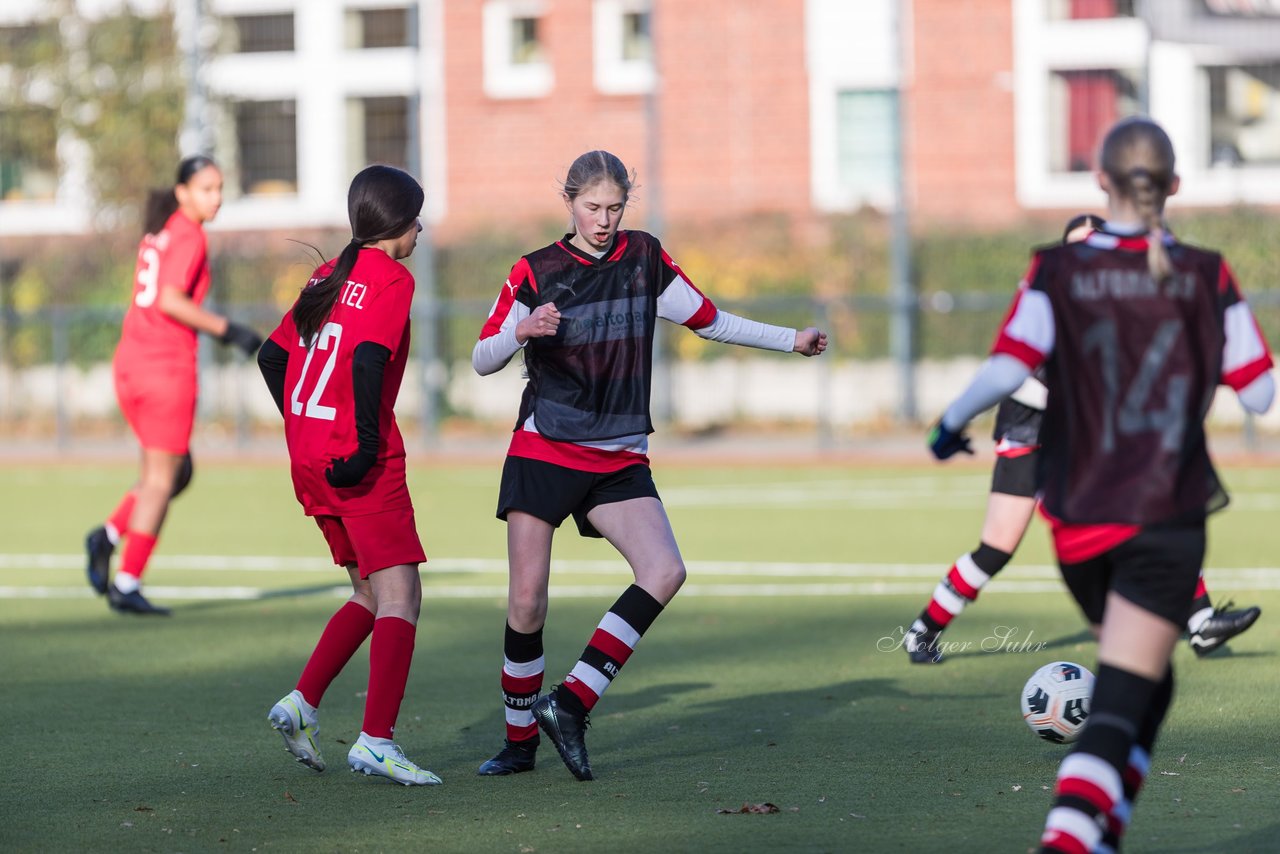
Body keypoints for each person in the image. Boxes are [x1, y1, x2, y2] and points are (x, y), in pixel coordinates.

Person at [927, 117, 1274, 853]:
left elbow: (1003, 364)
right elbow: (1259, 394)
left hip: (1080, 520)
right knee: (1129, 690)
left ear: (1100, 182)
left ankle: (1098, 836)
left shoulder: (1053, 269)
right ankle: (1071, 837)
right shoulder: (1206, 272)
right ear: (1174, 186)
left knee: (1144, 681)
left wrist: (950, 422)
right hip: (1167, 510)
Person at [471, 150, 828, 781]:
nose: (604, 220)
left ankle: (572, 703)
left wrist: (789, 340)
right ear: (570, 203)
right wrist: (522, 330)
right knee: (526, 603)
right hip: (546, 446)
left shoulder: (644, 257)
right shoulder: (535, 270)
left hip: (618, 453)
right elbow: (481, 358)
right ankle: (518, 743)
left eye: (614, 208)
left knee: (664, 570)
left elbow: (711, 320)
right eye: (591, 207)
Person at [906, 213, 1261, 664]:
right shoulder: (1052, 289)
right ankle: (924, 628)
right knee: (997, 546)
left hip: (1083, 436)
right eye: (1078, 243)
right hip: (1030, 429)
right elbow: (1014, 372)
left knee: (1149, 513)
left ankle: (1200, 622)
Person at [255, 165, 439, 787]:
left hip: (309, 458)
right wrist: (360, 447)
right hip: (359, 462)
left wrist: (303, 424)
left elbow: (272, 354)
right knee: (402, 597)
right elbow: (366, 358)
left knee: (367, 591)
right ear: (396, 224)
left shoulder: (327, 273)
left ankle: (301, 703)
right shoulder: (392, 278)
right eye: (417, 216)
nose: (422, 228)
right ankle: (377, 741)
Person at [84, 155, 263, 615]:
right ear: (183, 192)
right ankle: (127, 582)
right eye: (206, 189)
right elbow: (169, 300)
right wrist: (230, 331)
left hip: (132, 363)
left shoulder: (163, 229)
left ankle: (106, 535)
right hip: (163, 369)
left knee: (173, 472)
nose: (216, 197)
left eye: (220, 188)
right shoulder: (189, 233)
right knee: (163, 479)